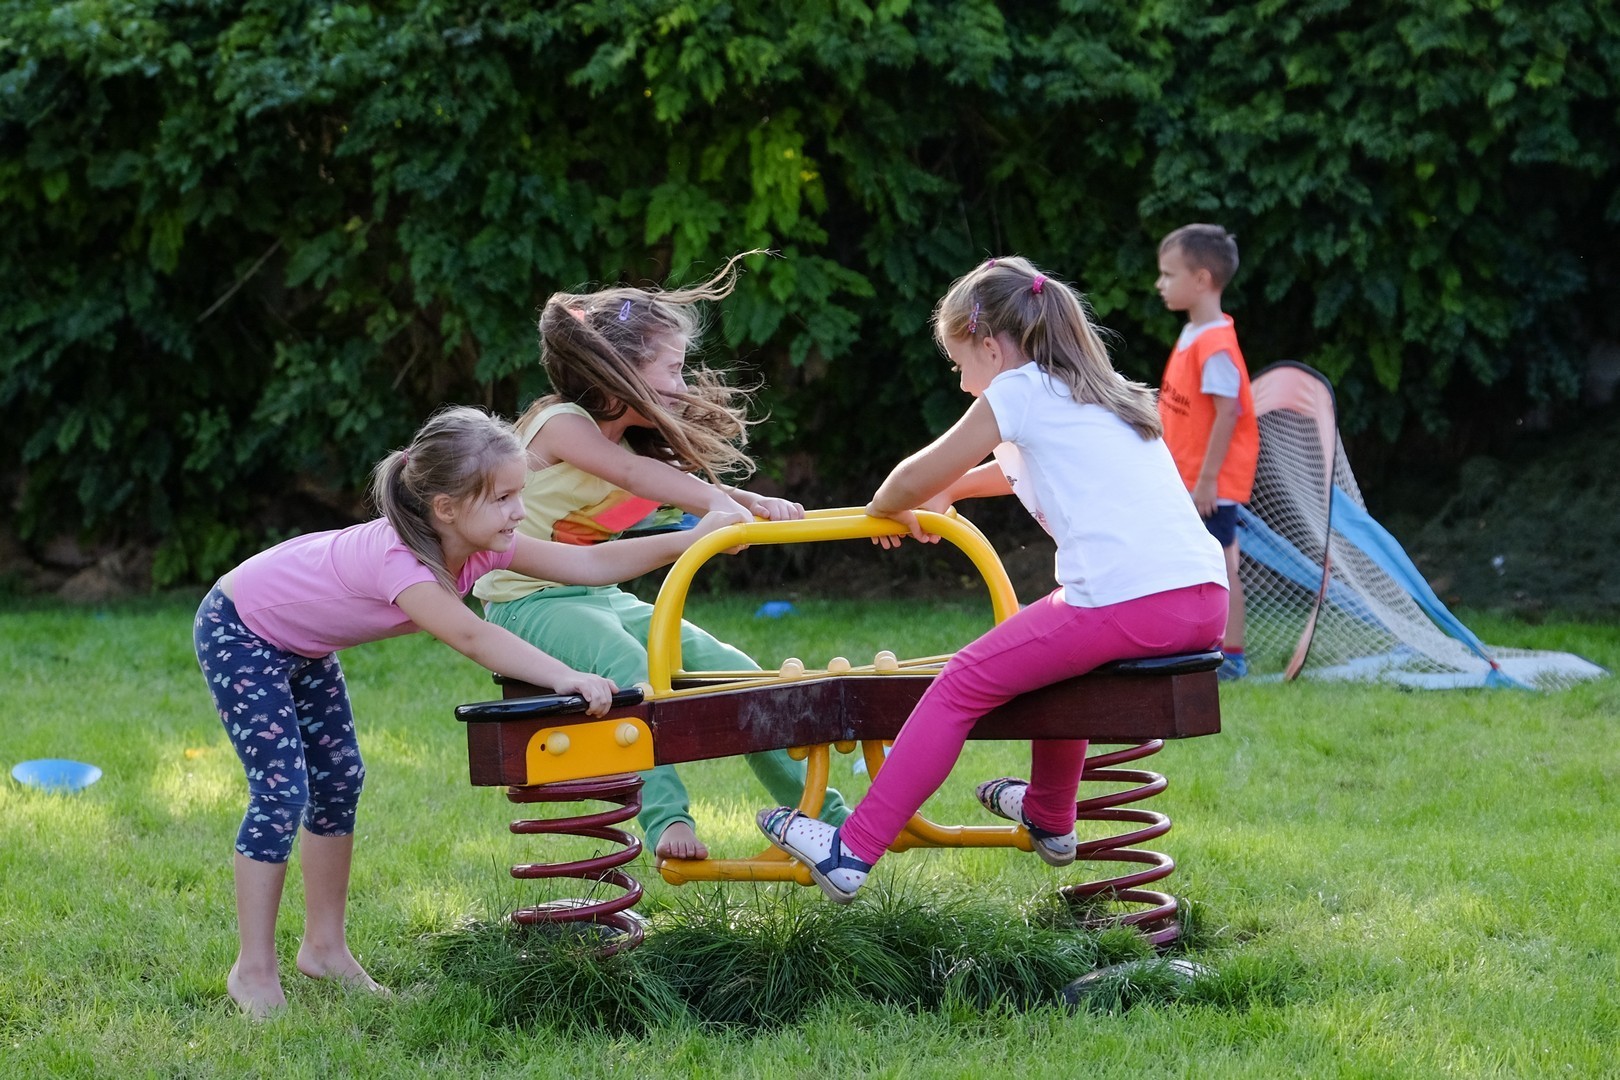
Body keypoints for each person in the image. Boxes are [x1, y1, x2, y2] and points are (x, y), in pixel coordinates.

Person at [194, 405, 745, 1018]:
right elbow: (472, 636)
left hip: (302, 645)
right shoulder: (400, 561)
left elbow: (588, 564)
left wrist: (695, 539)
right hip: (241, 631)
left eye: (519, 494)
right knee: (281, 792)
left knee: (340, 781)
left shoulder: (481, 547)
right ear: (446, 508)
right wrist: (564, 674)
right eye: (504, 498)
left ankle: (324, 949)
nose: (519, 511)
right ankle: (252, 970)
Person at [756, 256, 1228, 903]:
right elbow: (1012, 470)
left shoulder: (1019, 390)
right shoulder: (1097, 388)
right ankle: (1050, 815)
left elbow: (912, 476)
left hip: (1126, 601)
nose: (960, 382)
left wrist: (888, 506)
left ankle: (850, 850)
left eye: (959, 364)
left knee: (960, 683)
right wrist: (951, 492)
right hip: (1202, 600)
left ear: (990, 347)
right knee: (1054, 660)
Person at [474, 253, 850, 862]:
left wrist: (749, 504)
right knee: (629, 666)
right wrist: (720, 504)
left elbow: (668, 482)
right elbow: (633, 477)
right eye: (672, 369)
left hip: (598, 595)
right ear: (619, 370)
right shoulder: (560, 423)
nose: (683, 385)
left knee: (735, 672)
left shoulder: (634, 447)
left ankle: (828, 819)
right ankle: (667, 818)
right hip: (527, 604)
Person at [1154, 223, 1259, 680]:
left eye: (1168, 274)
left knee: (1220, 567)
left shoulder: (1215, 344)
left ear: (1201, 280)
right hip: (1187, 480)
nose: (1160, 284)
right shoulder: (1193, 334)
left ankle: (1230, 658)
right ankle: (1197, 650)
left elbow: (1228, 412)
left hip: (1207, 486)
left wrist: (1208, 481)